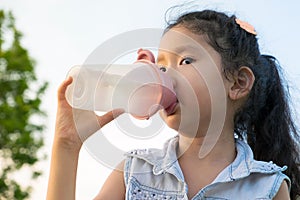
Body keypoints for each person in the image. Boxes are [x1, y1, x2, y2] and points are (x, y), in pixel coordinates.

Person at [47, 9, 300, 200]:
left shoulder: (268, 187)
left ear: (237, 83)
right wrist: (67, 144)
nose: (164, 76)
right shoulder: (135, 172)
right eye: (161, 66)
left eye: (186, 61)